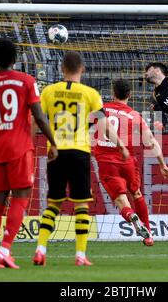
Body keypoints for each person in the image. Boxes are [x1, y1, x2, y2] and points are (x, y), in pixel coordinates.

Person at [33, 51, 129, 267]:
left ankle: (40, 249)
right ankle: (80, 255)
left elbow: (36, 120)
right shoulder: (90, 94)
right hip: (79, 152)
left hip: (55, 151)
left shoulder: (49, 91)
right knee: (82, 205)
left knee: (53, 203)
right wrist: (121, 145)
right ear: (82, 69)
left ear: (61, 69)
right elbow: (104, 127)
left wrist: (28, 143)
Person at [0, 39, 58, 269]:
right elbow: (40, 117)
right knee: (21, 199)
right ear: (16, 59)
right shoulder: (27, 81)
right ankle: (5, 250)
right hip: (20, 147)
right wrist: (53, 142)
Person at [94, 79, 168, 246]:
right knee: (137, 193)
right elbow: (151, 141)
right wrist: (162, 164)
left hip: (106, 160)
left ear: (112, 94)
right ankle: (148, 234)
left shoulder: (100, 111)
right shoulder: (135, 115)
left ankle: (131, 216)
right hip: (128, 161)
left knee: (120, 199)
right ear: (129, 95)